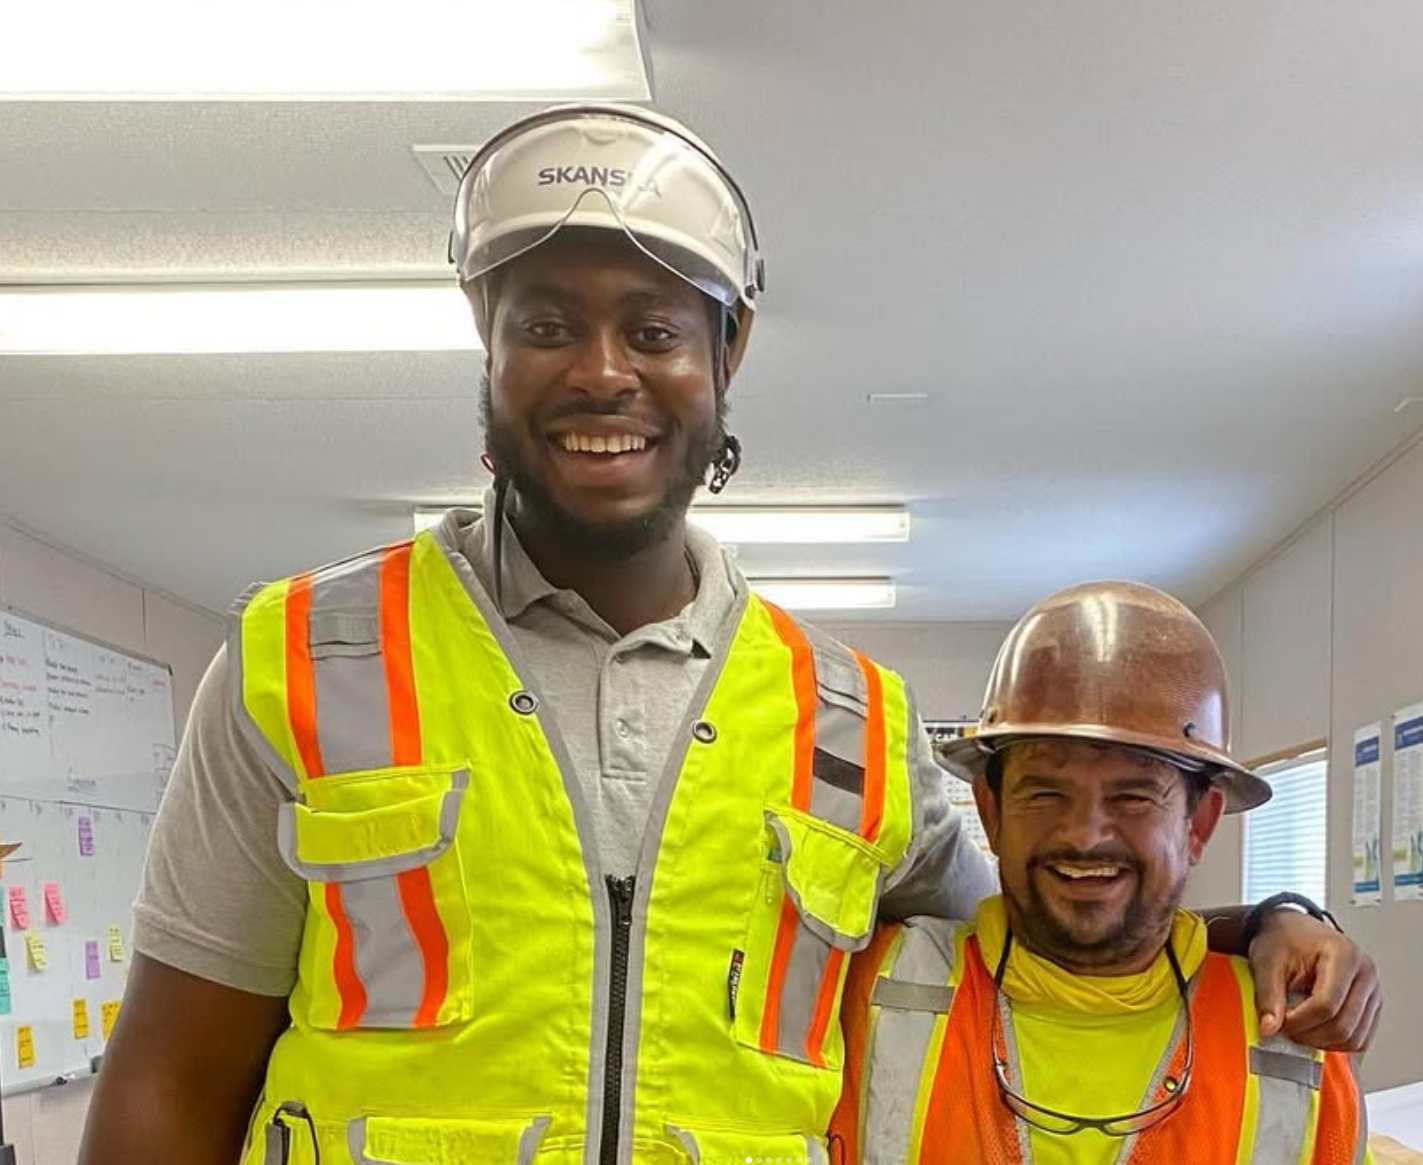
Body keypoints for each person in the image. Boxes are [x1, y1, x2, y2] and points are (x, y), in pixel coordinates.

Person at [77, 107, 1376, 1165]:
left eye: (653, 329)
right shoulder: (308, 660)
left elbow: (1053, 921)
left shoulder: (849, 723)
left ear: (726, 355)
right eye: (545, 323)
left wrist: (1270, 919)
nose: (601, 370)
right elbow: (168, 1084)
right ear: (487, 347)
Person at [832, 581, 1374, 1165]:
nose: (1085, 835)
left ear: (1199, 823)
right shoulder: (862, 992)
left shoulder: (1298, 1051)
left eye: (1133, 796)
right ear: (991, 811)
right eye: (1044, 792)